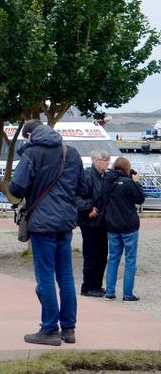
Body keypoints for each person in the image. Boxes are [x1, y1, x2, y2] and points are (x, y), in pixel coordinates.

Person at [9, 120, 89, 346]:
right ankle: (69, 328)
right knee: (65, 276)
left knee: (45, 277)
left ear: (28, 136)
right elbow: (83, 188)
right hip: (66, 221)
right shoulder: (70, 152)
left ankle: (49, 329)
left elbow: (16, 188)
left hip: (43, 222)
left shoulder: (32, 153)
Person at [102, 157, 145, 302]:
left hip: (112, 225)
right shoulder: (128, 182)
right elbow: (140, 199)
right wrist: (136, 183)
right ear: (127, 167)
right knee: (130, 259)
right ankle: (127, 294)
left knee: (113, 258)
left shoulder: (107, 181)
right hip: (128, 225)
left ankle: (110, 291)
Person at [76, 150, 110, 297]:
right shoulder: (87, 176)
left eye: (108, 160)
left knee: (102, 255)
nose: (108, 163)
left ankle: (97, 285)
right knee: (91, 255)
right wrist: (88, 208)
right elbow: (76, 196)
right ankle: (88, 287)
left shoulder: (104, 177)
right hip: (89, 222)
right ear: (96, 161)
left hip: (102, 222)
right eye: (105, 160)